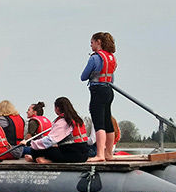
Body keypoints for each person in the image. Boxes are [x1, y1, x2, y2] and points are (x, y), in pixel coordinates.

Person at [81, 31, 117, 162]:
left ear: (98, 42)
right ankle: (109, 154)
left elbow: (83, 76)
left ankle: (100, 154)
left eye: (92, 42)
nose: (90, 45)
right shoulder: (111, 58)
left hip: (97, 91)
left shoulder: (95, 58)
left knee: (98, 122)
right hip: (109, 90)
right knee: (108, 121)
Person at [22, 97, 90, 164]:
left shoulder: (64, 121)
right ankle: (44, 159)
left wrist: (31, 144)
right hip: (84, 155)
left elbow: (50, 140)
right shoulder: (77, 119)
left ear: (57, 109)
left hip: (72, 154)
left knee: (36, 150)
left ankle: (46, 160)